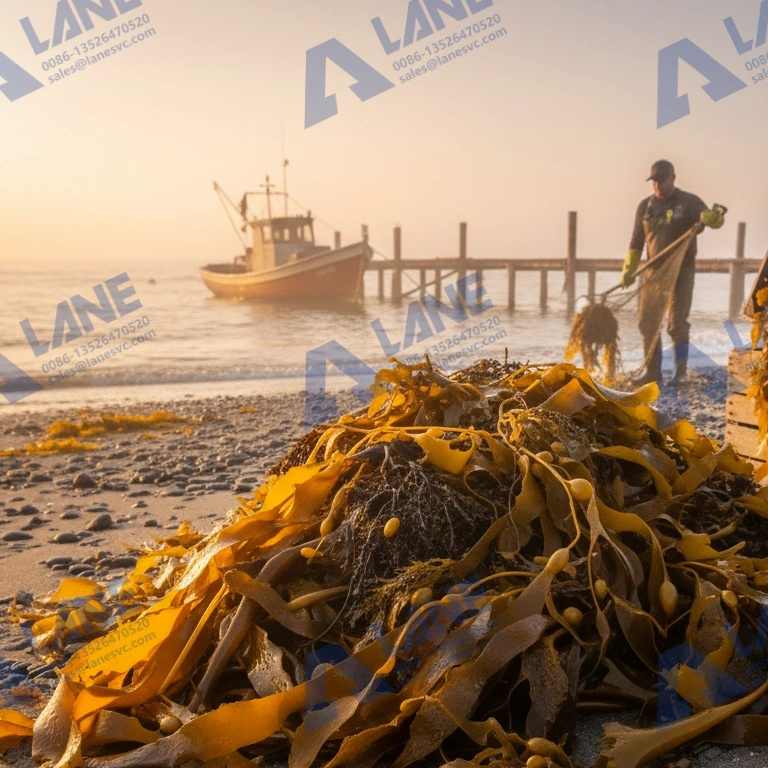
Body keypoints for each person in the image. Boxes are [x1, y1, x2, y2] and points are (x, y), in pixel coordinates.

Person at [620, 160, 725, 386]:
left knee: (677, 323)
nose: (658, 186)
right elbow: (636, 241)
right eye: (655, 181)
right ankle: (652, 372)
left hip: (682, 269)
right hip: (655, 272)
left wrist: (711, 217)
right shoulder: (645, 207)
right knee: (647, 321)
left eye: (662, 180)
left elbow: (711, 219)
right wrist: (629, 269)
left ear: (673, 178)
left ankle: (680, 373)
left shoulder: (689, 203)